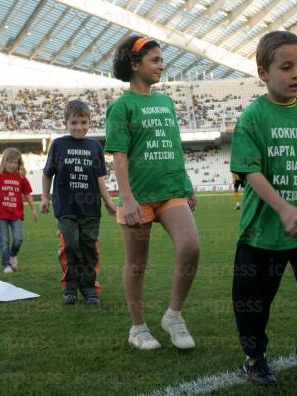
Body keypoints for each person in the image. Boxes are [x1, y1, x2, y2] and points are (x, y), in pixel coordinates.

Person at [230, 31, 297, 385]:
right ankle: (254, 357)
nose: (296, 74)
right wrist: (281, 207)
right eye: (286, 67)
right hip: (261, 231)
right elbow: (249, 171)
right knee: (252, 302)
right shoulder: (253, 117)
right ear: (263, 73)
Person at [105, 35, 200, 350]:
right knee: (137, 264)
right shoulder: (121, 106)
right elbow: (119, 155)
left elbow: (173, 147)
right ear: (134, 65)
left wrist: (186, 186)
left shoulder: (166, 102)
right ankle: (138, 328)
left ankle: (174, 315)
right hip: (138, 198)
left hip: (171, 191)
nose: (162, 65)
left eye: (161, 59)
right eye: (155, 60)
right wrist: (127, 198)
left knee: (190, 249)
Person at [41, 100, 117, 305]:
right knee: (71, 246)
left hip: (91, 209)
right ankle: (71, 286)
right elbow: (48, 173)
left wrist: (108, 201)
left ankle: (90, 288)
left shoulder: (95, 147)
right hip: (66, 207)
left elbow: (100, 178)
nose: (79, 127)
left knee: (90, 248)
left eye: (83, 122)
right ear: (66, 122)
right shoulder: (58, 145)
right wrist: (45, 197)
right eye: (74, 122)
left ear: (90, 122)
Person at [0, 148, 38, 274]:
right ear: (4, 162)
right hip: (0, 214)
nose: (12, 165)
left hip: (16, 214)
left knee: (18, 239)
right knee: (4, 240)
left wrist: (33, 209)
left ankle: (13, 255)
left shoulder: (21, 178)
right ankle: (6, 264)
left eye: (15, 162)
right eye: (10, 162)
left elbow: (27, 194)